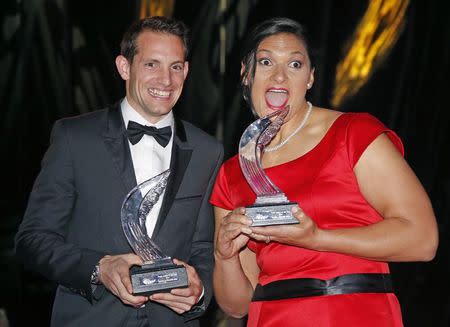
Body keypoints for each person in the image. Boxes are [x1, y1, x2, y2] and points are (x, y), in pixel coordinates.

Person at [210, 17, 438, 327]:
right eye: (265, 62)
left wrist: (317, 237)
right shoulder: (233, 173)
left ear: (310, 78)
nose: (279, 75)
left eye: (294, 64)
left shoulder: (352, 134)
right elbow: (236, 305)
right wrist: (225, 257)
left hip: (353, 314)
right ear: (245, 74)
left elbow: (422, 239)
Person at [15, 16, 223, 327]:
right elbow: (32, 240)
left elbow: (204, 247)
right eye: (152, 64)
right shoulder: (75, 137)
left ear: (187, 71)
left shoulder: (208, 150)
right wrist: (99, 267)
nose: (166, 80)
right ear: (124, 67)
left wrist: (200, 289)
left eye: (175, 66)